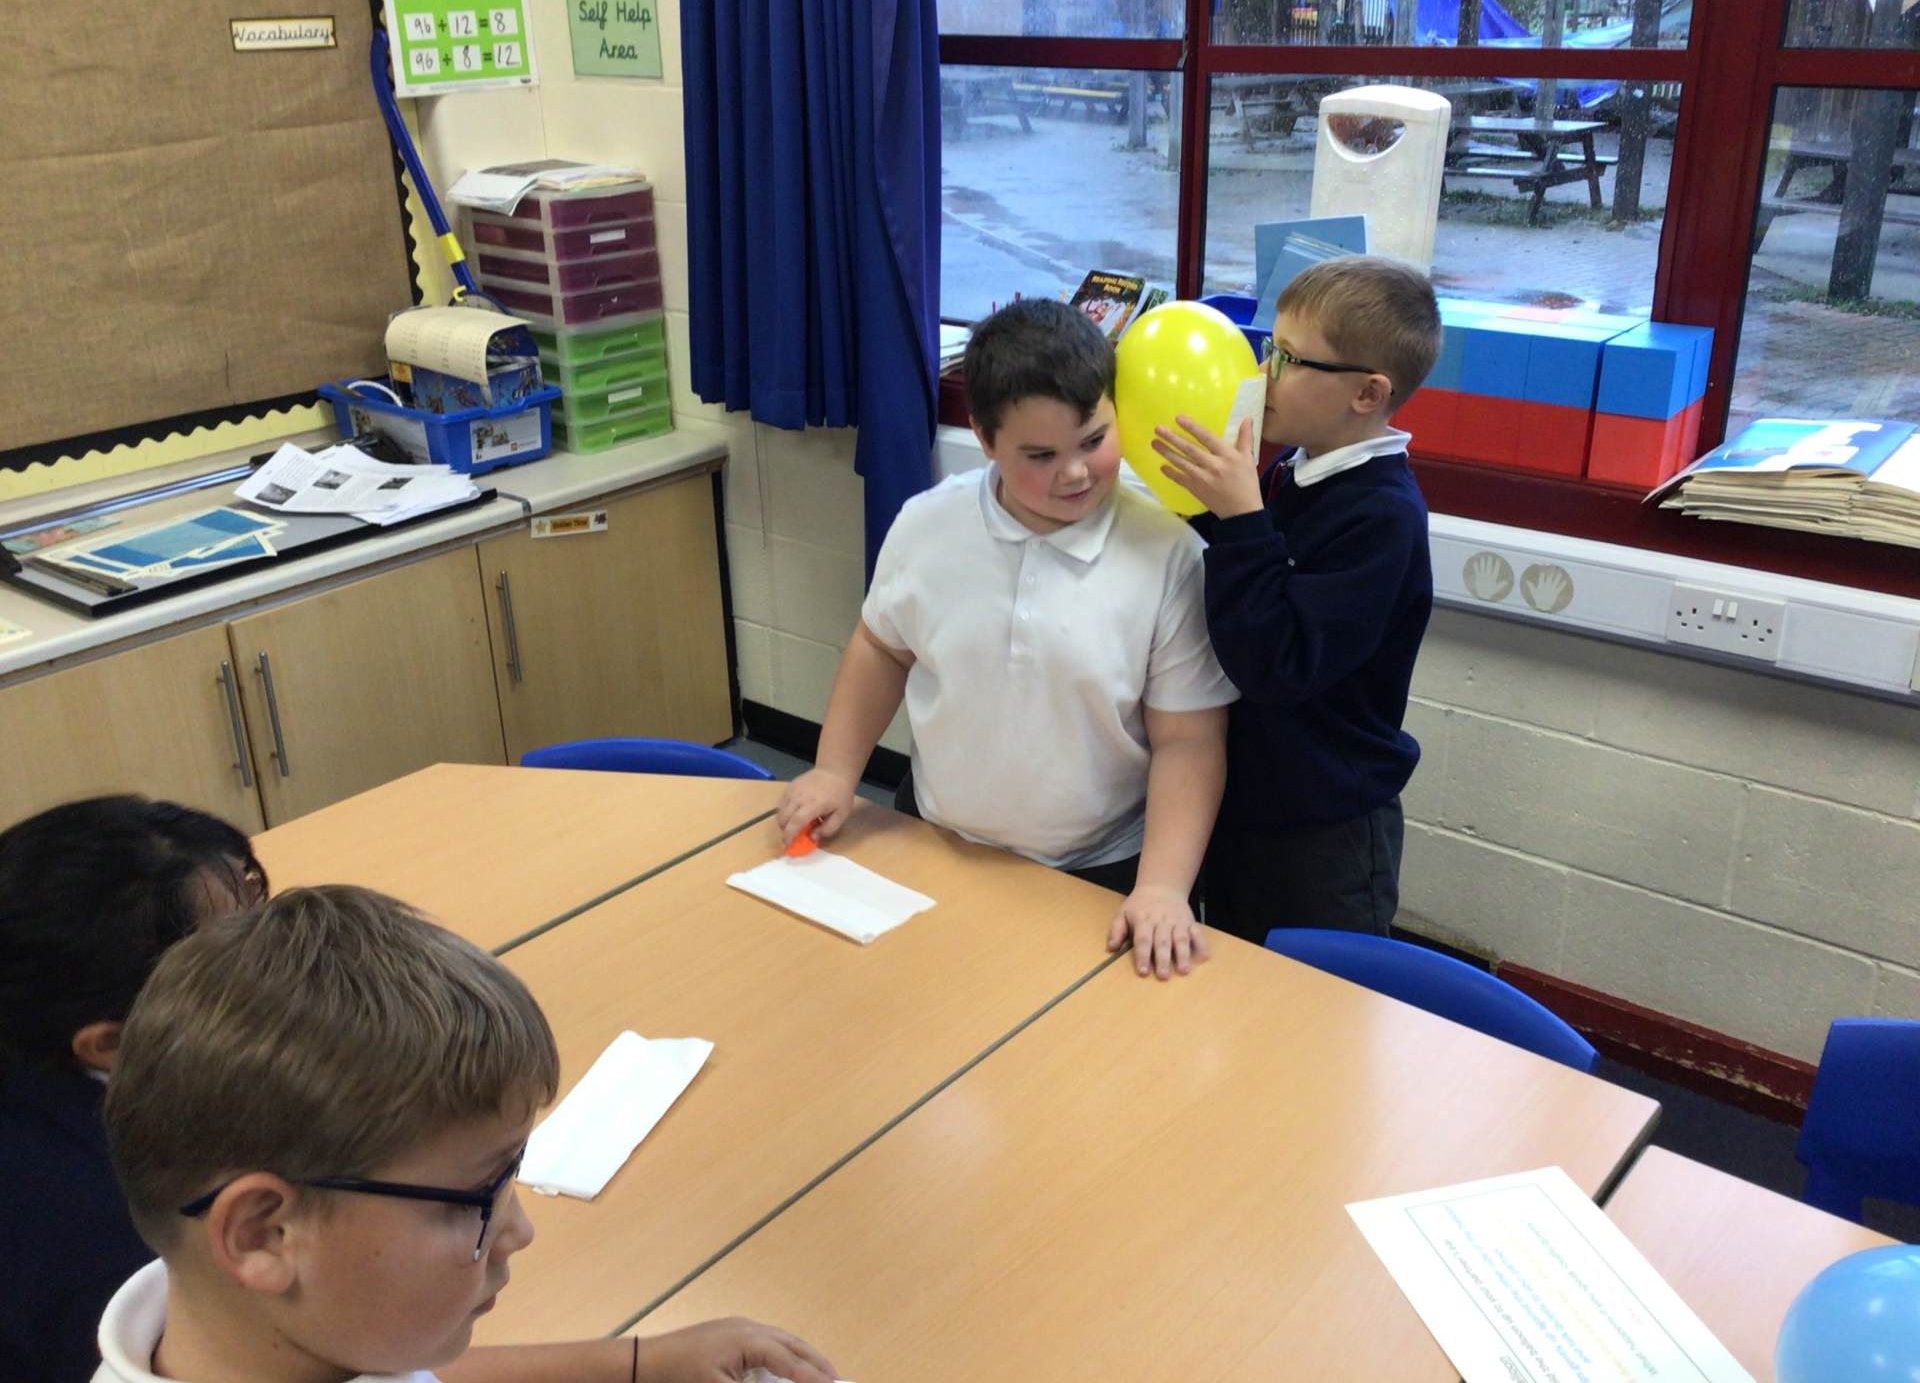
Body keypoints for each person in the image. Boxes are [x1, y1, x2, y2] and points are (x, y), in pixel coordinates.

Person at [0, 797, 834, 1383]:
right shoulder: (74, 1239)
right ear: (263, 1232)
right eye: (474, 1199)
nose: (520, 1231)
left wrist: (641, 1363)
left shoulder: (243, 1318)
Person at [776, 299, 1238, 979]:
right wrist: (835, 770)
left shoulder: (1170, 557)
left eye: (1093, 441)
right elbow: (881, 649)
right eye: (1040, 456)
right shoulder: (926, 524)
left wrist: (1164, 887)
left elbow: (1189, 741)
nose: (1074, 472)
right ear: (985, 438)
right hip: (934, 837)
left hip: (1097, 873)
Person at [1151, 255, 1441, 942]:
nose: (1261, 374)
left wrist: (1240, 519)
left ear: (1367, 394)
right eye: (1267, 348)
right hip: (1248, 803)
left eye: (1286, 358)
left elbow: (1278, 664)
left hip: (1324, 833)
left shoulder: (1383, 516)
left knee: (1315, 997)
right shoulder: (1294, 465)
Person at [0, 797, 266, 1383]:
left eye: (256, 901)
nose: (284, 958)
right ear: (111, 1043)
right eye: (236, 961)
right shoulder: (108, 1222)